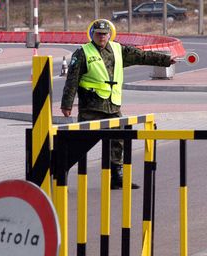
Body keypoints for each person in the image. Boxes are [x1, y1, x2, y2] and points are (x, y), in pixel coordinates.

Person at [61, 19, 176, 190]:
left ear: (110, 34)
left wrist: (166, 60)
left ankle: (117, 177)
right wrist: (67, 104)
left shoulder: (117, 49)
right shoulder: (82, 53)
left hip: (112, 106)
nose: (102, 37)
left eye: (105, 34)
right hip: (91, 107)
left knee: (118, 140)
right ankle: (59, 170)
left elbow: (140, 56)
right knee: (80, 143)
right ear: (93, 34)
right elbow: (72, 80)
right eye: (99, 34)